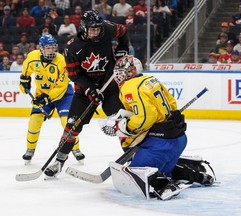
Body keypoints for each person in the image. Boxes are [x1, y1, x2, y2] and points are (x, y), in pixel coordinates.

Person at [100, 55, 214, 200]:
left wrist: (127, 127)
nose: (119, 76)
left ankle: (163, 184)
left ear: (131, 71)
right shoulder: (149, 79)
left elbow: (146, 117)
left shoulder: (130, 86)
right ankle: (195, 175)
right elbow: (172, 103)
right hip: (178, 140)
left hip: (160, 146)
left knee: (135, 173)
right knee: (162, 166)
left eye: (121, 72)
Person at [44, 10, 129, 177]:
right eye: (92, 30)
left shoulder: (108, 28)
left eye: (98, 29)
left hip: (109, 85)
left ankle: (132, 155)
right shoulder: (72, 47)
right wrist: (90, 89)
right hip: (84, 92)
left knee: (121, 120)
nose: (96, 32)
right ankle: (59, 160)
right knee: (72, 125)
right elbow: (74, 75)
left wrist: (122, 49)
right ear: (83, 28)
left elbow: (124, 32)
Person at [19, 34, 85, 165]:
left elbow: (61, 87)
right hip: (42, 94)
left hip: (64, 96)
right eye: (48, 48)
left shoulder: (62, 60)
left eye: (53, 47)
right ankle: (30, 150)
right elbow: (25, 75)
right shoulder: (32, 57)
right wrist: (24, 84)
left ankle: (75, 149)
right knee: (34, 121)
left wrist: (46, 99)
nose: (51, 50)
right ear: (41, 48)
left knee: (67, 122)